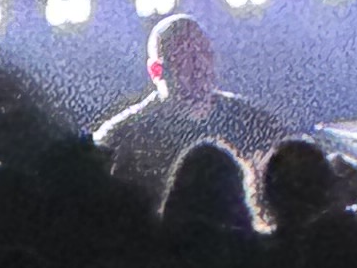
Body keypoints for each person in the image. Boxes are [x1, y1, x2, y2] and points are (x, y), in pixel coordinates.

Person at [92, 15, 285, 185]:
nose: (200, 65)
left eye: (205, 52)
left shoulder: (253, 123)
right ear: (156, 70)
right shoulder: (124, 137)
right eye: (184, 57)